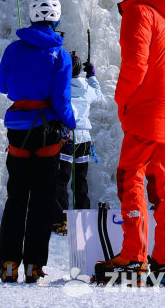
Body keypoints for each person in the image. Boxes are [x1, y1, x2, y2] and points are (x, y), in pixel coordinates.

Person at [93, 0, 165, 286]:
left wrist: (122, 102)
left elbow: (135, 65)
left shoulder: (139, 10)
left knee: (129, 175)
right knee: (162, 185)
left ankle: (134, 257)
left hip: (146, 109)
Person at [0, 0, 77, 284]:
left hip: (18, 131)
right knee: (42, 199)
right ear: (57, 18)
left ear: (31, 15)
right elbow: (61, 100)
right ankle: (33, 265)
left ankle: (8, 262)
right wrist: (71, 123)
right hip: (48, 133)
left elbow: (1, 85)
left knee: (16, 197)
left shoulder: (13, 50)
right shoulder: (61, 55)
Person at [52, 51, 103, 234]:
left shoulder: (62, 86)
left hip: (67, 136)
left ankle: (61, 222)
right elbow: (98, 94)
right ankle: (84, 221)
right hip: (84, 139)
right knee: (80, 180)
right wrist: (92, 75)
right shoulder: (88, 89)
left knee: (61, 180)